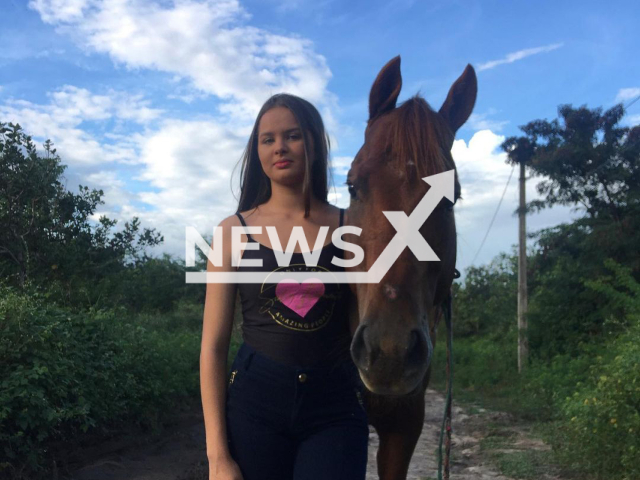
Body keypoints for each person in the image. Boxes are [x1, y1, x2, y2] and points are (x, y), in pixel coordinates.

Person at [200, 93, 369, 480]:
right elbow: (212, 347)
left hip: (335, 409)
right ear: (256, 151)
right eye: (268, 139)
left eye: (292, 135)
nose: (280, 147)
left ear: (314, 143)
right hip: (254, 406)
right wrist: (217, 457)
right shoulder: (233, 232)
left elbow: (366, 323)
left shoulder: (352, 229)